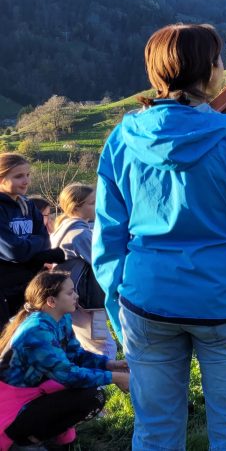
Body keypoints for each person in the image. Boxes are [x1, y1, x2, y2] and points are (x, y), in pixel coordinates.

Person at [93, 23, 226, 451]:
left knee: (154, 433)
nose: (224, 66)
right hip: (224, 304)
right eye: (220, 59)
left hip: (146, 302)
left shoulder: (122, 140)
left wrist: (117, 308)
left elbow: (108, 239)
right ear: (208, 70)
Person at [0, 271, 129, 450]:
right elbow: (68, 375)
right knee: (92, 397)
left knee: (89, 393)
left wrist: (108, 364)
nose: (76, 295)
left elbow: (75, 354)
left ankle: (43, 437)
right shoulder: (36, 331)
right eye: (70, 293)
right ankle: (24, 441)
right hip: (12, 410)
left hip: (34, 394)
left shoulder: (60, 318)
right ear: (51, 301)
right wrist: (115, 377)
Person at [50, 183, 116, 359]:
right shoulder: (80, 234)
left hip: (73, 296)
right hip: (89, 300)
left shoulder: (63, 228)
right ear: (76, 206)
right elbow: (101, 262)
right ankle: (101, 382)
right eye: (92, 203)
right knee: (105, 344)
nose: (97, 206)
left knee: (84, 342)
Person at [0, 154, 65, 326]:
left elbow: (45, 242)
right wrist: (34, 249)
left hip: (27, 285)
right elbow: (13, 250)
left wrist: (28, 249)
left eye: (28, 175)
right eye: (18, 176)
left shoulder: (27, 205)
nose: (26, 181)